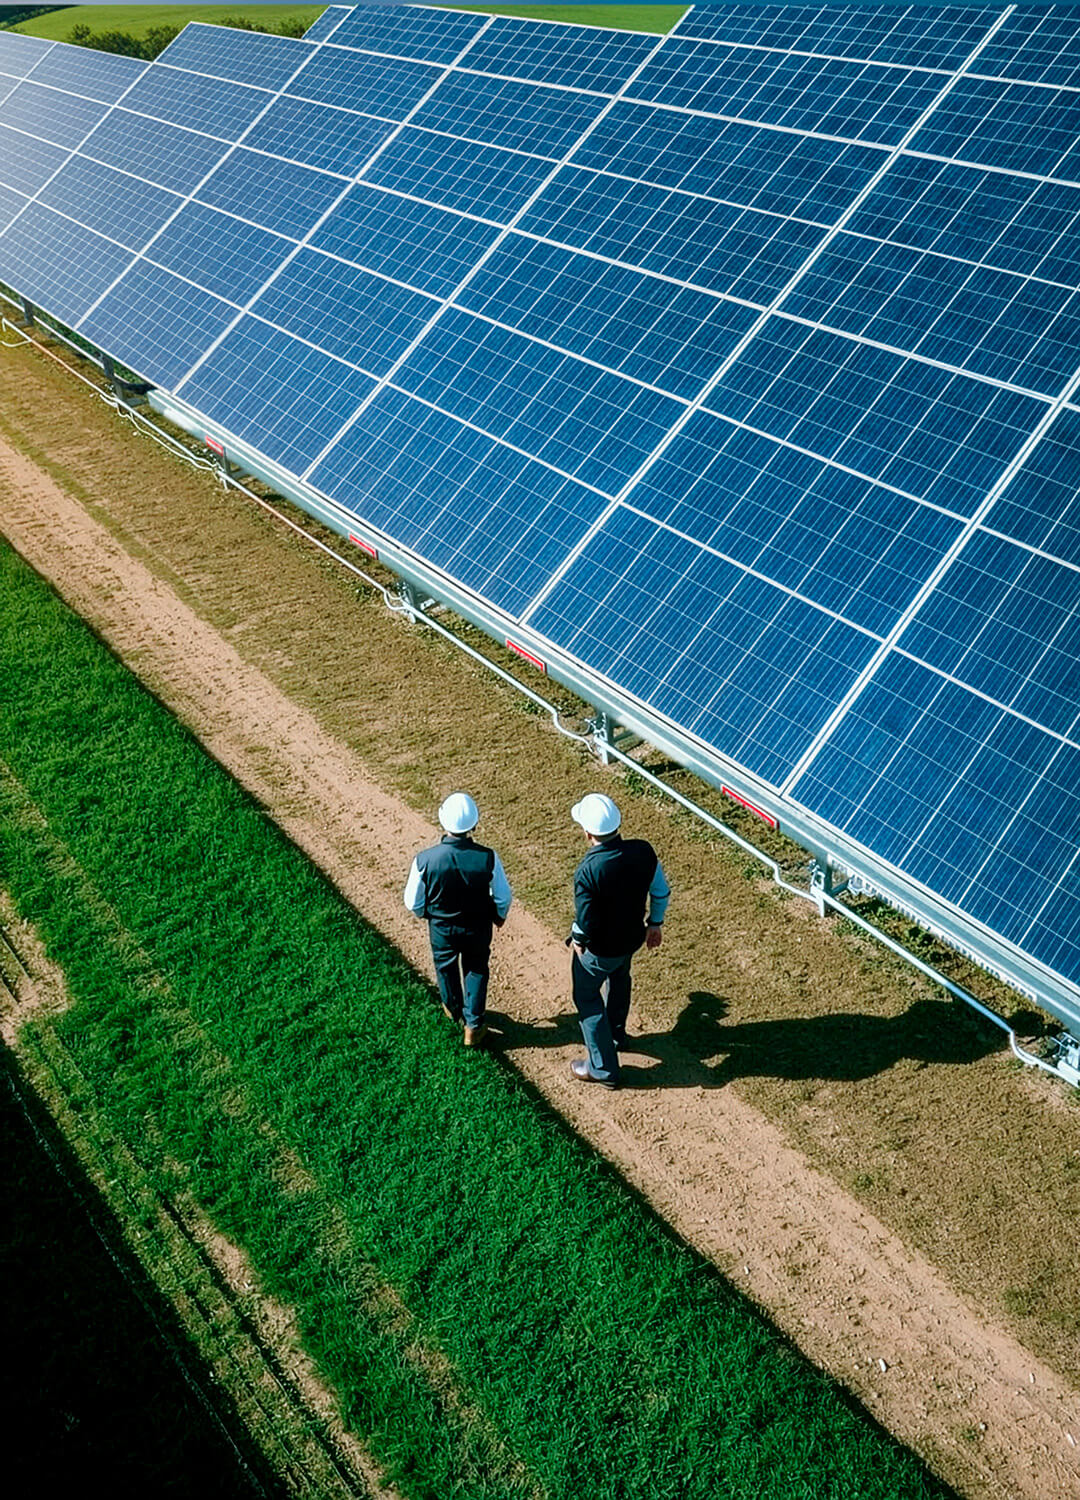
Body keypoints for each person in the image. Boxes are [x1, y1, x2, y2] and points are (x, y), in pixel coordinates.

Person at [568, 793, 670, 1089]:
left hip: (600, 949)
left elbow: (585, 922)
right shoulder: (643, 851)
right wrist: (655, 924)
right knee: (620, 978)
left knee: (587, 996)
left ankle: (603, 1068)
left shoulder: (588, 870)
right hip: (632, 939)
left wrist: (577, 939)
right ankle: (616, 1034)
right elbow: (661, 891)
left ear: (587, 833)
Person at [404, 793, 512, 1047]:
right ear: (474, 825)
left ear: (443, 822)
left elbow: (413, 902)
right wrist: (498, 916)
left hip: (441, 926)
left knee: (445, 966)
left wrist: (424, 913)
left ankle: (453, 1008)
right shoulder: (488, 857)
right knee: (476, 969)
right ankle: (473, 1025)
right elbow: (504, 896)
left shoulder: (425, 859)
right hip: (477, 926)